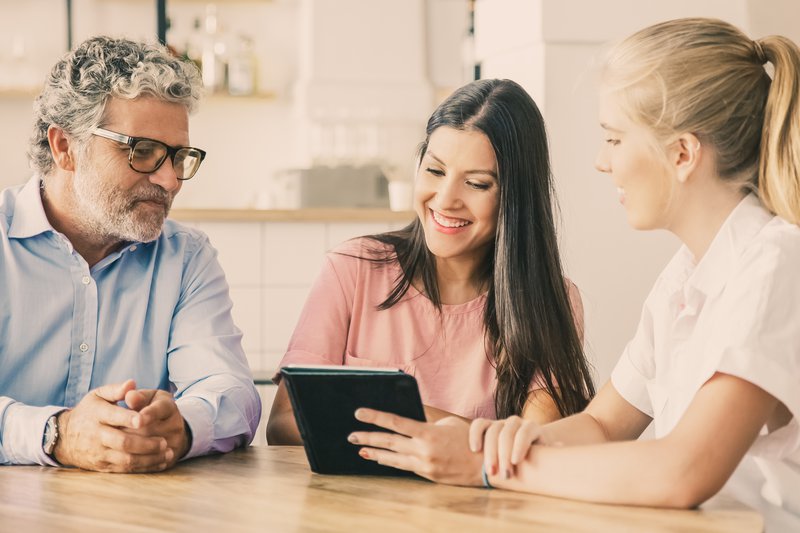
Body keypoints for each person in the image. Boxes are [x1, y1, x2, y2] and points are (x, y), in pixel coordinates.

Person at [348, 17, 800, 521]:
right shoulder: (686, 275)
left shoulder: (776, 267)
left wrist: (486, 467)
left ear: (682, 153)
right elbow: (603, 426)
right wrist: (506, 441)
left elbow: (682, 472)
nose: (601, 162)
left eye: (614, 139)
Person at [266, 79, 595, 444]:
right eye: (435, 171)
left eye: (477, 183)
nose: (445, 199)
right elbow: (285, 422)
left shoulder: (551, 300)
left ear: (516, 197)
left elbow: (537, 442)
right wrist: (454, 431)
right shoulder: (352, 268)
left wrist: (382, 412)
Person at [0, 36, 261, 472]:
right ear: (65, 147)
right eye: (142, 152)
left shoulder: (186, 258)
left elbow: (232, 392)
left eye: (179, 157)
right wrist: (56, 434)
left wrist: (183, 427)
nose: (171, 181)